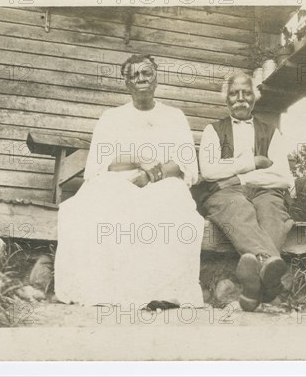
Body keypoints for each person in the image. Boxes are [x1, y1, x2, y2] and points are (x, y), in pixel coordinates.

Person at [54, 54, 204, 309]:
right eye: (134, 75)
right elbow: (104, 163)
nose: (141, 79)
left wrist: (150, 175)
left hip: (163, 179)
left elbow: (183, 162)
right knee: (93, 208)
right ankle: (108, 290)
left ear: (156, 78)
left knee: (170, 206)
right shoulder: (111, 117)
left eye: (146, 73)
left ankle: (164, 292)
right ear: (126, 84)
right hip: (121, 178)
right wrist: (136, 164)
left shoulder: (174, 116)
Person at [198, 71, 296, 312]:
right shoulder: (213, 131)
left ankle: (254, 287)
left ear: (255, 97)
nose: (240, 98)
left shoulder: (271, 133)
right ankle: (269, 281)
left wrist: (238, 177)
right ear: (226, 99)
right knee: (238, 208)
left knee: (272, 211)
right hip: (225, 196)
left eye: (246, 93)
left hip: (265, 191)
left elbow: (283, 177)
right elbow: (209, 171)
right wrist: (253, 162)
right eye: (234, 93)